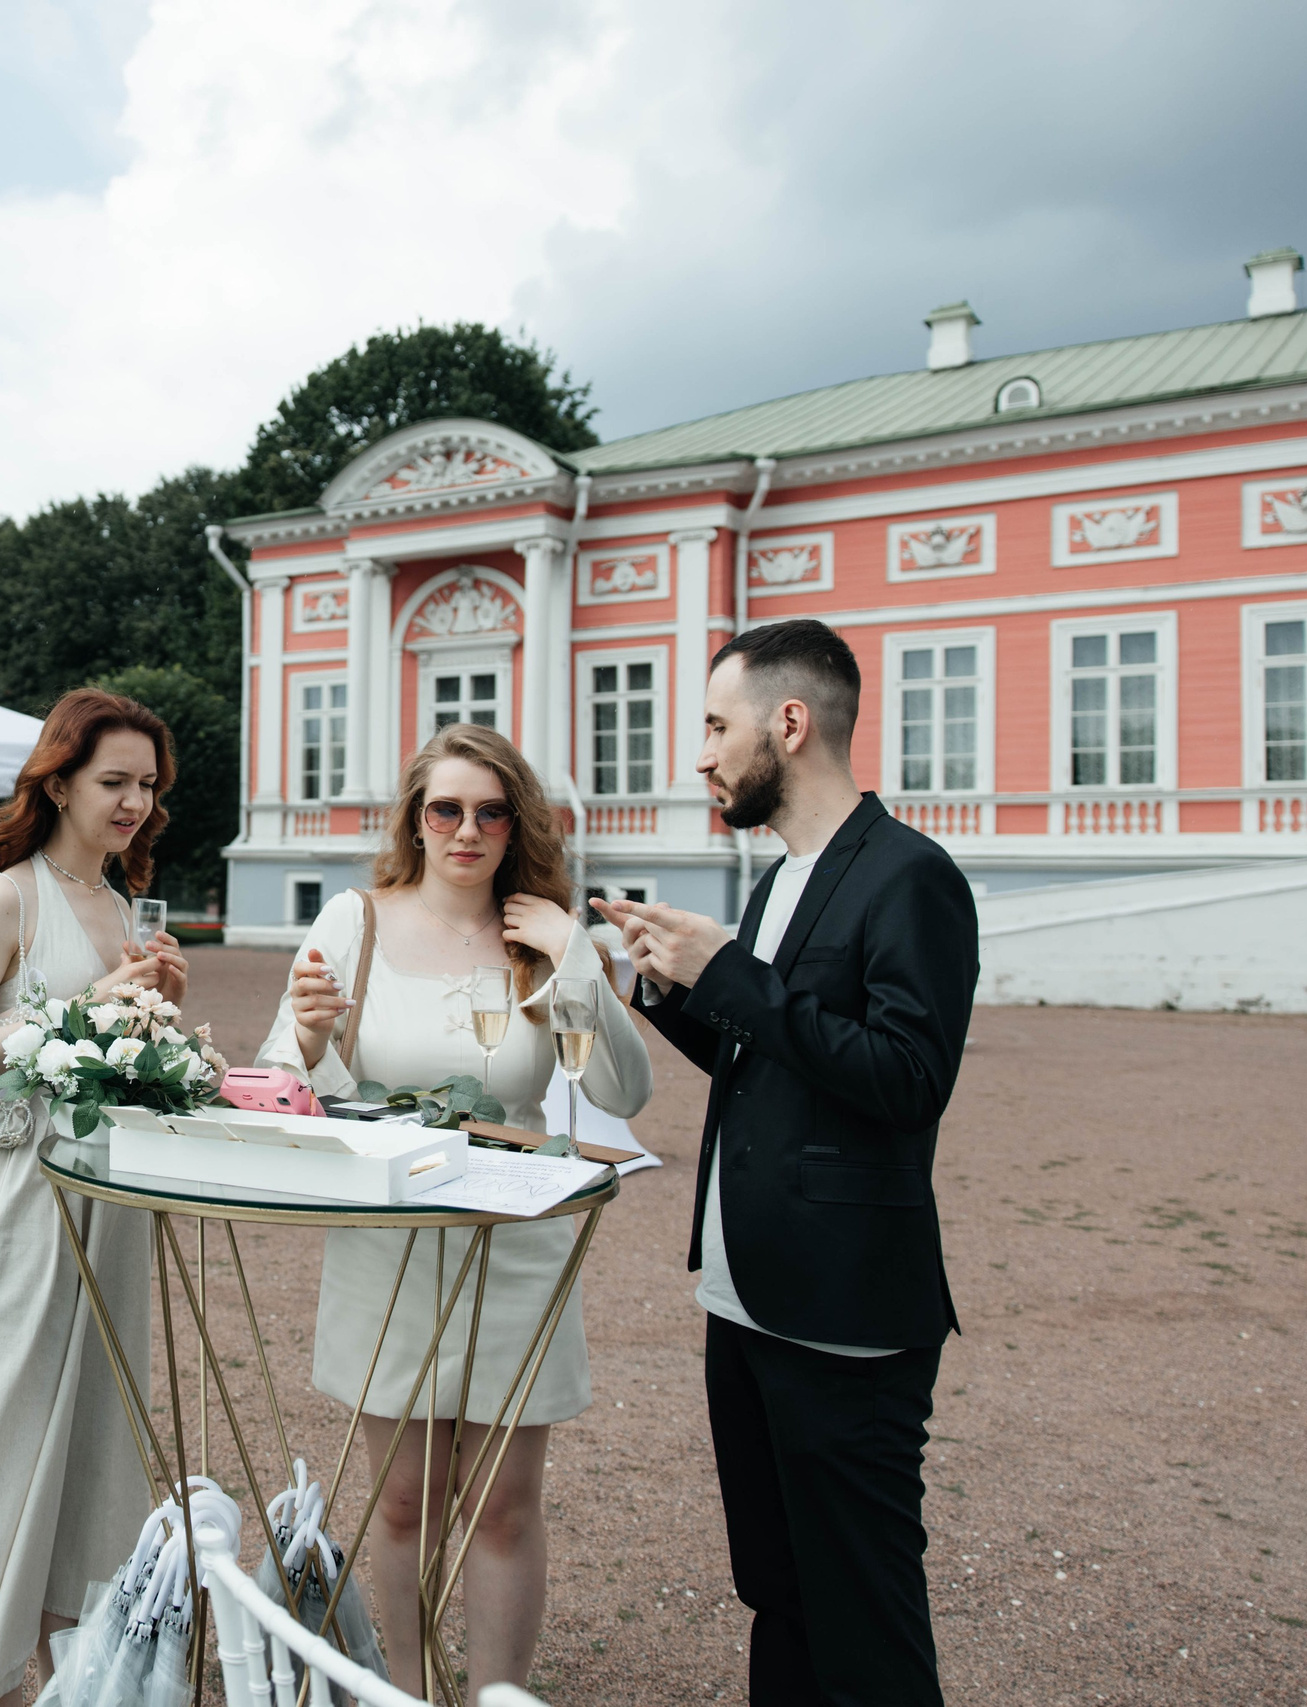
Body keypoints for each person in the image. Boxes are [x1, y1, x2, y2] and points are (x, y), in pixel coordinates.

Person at [595, 618, 978, 1707]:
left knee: (864, 1618)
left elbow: (908, 1077)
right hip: (746, 1294)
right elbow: (764, 1054)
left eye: (718, 726)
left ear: (791, 723)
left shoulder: (911, 876)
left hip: (843, 1313)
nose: (702, 755)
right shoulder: (777, 884)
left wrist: (730, 973)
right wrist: (665, 983)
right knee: (778, 1591)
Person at [256, 721, 651, 1694]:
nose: (466, 830)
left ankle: (496, 1694)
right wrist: (310, 1041)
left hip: (514, 1241)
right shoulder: (352, 922)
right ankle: (411, 1689)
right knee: (401, 1499)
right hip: (389, 1242)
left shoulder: (541, 937)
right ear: (415, 819)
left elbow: (625, 1092)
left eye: (490, 811)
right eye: (445, 809)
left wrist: (578, 958)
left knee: (504, 1505)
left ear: (518, 824)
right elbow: (276, 1081)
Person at [0, 688, 190, 1707]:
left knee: (96, 1452)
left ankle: (75, 1679)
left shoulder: (124, 906)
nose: (134, 802)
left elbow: (111, 1062)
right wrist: (78, 1013)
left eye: (148, 784)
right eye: (114, 781)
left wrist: (158, 1015)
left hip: (112, 1212)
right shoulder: (5, 898)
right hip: (23, 1206)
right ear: (57, 784)